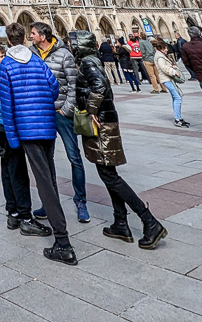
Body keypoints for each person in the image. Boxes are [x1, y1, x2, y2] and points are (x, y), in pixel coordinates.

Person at [75, 32, 167, 249]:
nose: (73, 47)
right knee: (109, 173)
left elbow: (99, 87)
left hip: (101, 125)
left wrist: (91, 109)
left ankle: (149, 221)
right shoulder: (94, 61)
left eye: (74, 44)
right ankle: (120, 222)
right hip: (107, 121)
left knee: (110, 176)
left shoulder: (88, 63)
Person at [0, 22, 77, 265]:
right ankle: (56, 224)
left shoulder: (7, 65)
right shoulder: (37, 61)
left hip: (27, 131)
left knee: (43, 182)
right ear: (24, 39)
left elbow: (7, 105)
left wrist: (12, 138)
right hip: (46, 127)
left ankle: (63, 242)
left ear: (8, 41)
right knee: (49, 177)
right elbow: (54, 89)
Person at [0, 43, 51, 238]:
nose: (5, 58)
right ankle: (25, 217)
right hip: (8, 125)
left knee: (8, 169)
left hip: (0, 125)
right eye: (2, 55)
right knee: (18, 172)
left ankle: (12, 213)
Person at [29, 22, 90, 223]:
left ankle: (81, 201)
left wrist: (66, 109)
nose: (30, 36)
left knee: (74, 157)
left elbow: (74, 85)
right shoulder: (31, 54)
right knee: (47, 161)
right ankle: (49, 204)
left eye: (33, 33)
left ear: (43, 36)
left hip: (62, 113)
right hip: (43, 113)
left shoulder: (64, 54)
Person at [153, 41, 189, 127]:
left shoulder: (160, 56)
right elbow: (163, 68)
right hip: (166, 79)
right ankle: (177, 119)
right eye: (165, 48)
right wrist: (173, 72)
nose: (167, 50)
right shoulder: (160, 57)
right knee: (178, 97)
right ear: (161, 49)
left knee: (175, 97)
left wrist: (172, 67)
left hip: (167, 79)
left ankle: (178, 117)